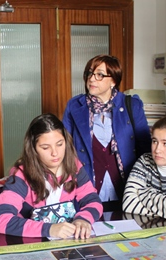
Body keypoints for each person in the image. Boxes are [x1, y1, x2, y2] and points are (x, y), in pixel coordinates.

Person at [0, 113, 103, 239]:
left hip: (64, 241)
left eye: (60, 144)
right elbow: (1, 220)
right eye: (45, 148)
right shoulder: (21, 175)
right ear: (33, 149)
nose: (55, 153)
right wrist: (49, 229)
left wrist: (83, 219)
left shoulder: (74, 166)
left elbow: (93, 201)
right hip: (29, 242)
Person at [62, 55, 151, 207]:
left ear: (113, 80)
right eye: (90, 73)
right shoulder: (75, 106)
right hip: (86, 190)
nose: (92, 79)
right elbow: (65, 149)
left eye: (100, 75)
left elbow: (145, 151)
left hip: (128, 191)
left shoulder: (131, 105)